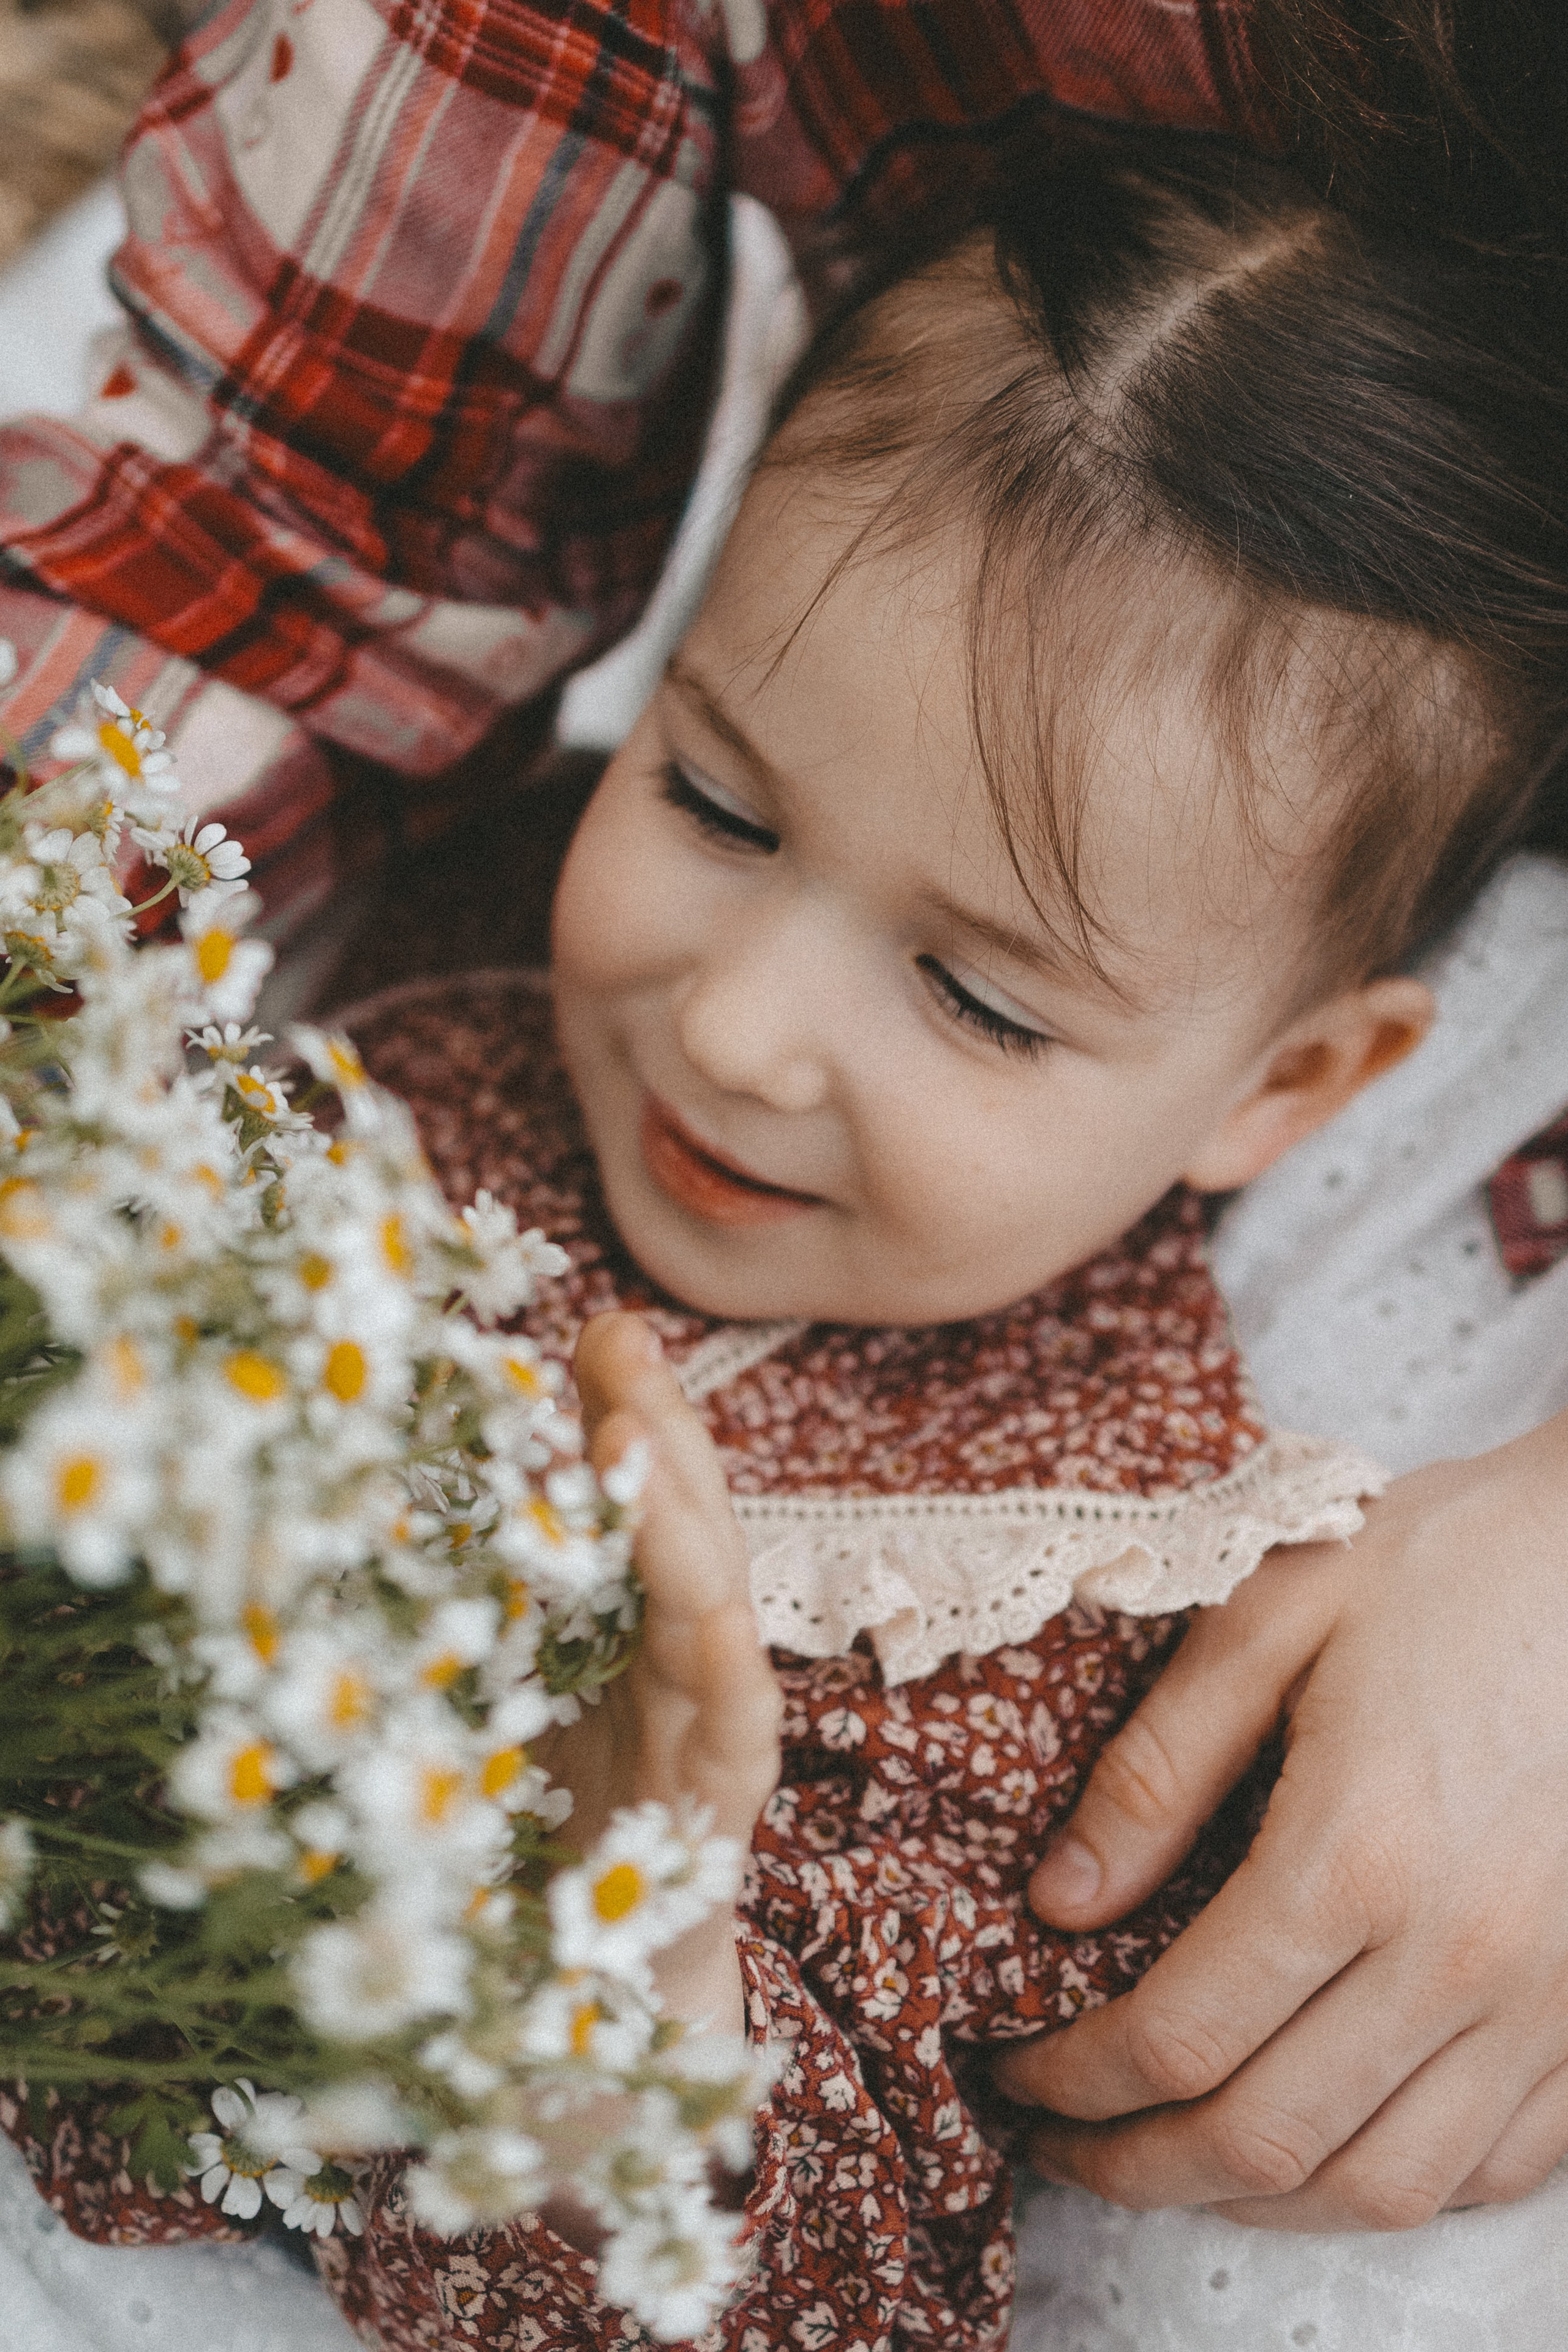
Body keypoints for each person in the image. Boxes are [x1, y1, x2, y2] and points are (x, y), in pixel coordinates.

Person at [4, 0, 1568, 2267]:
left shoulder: (1073, 1591)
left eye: (973, 993)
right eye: (714, 797)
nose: (731, 1032)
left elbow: (840, 2251)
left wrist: (627, 1976)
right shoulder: (463, 922)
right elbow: (281, 541)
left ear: (1288, 1086)